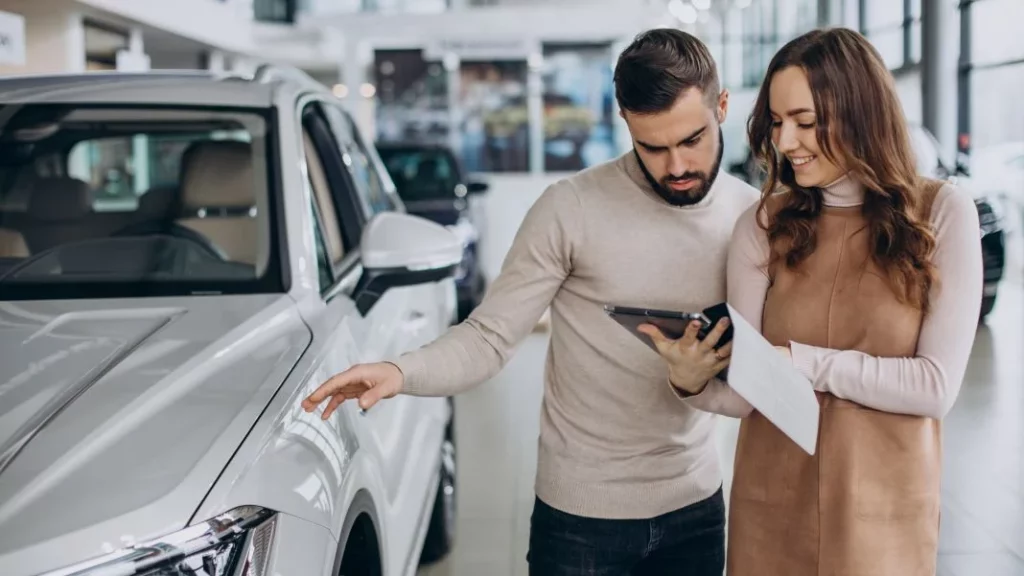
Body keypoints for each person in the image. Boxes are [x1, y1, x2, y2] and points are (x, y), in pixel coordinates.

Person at [302, 28, 759, 575]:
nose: (676, 166)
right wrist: (401, 371)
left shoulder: (752, 221)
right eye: (652, 148)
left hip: (696, 507)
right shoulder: (570, 209)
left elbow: (766, 367)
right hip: (581, 517)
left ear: (723, 106)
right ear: (625, 123)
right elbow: (490, 337)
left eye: (692, 140)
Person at [645, 28, 982, 575]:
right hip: (771, 507)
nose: (786, 142)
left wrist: (803, 363)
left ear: (861, 112)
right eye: (777, 123)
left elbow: (934, 388)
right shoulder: (763, 225)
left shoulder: (941, 215)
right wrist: (692, 381)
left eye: (805, 122)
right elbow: (746, 395)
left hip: (885, 516)